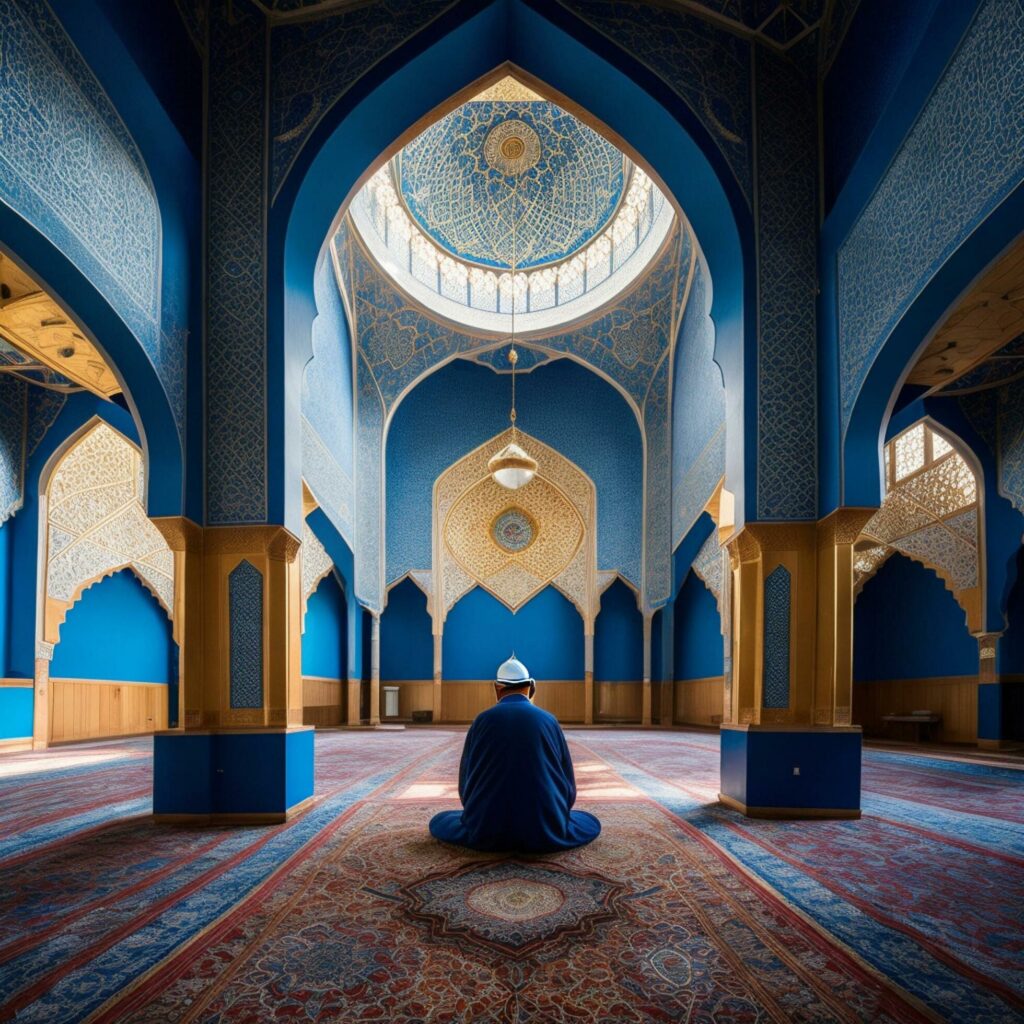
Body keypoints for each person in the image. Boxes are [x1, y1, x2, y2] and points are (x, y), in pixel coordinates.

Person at [429, 655, 601, 853]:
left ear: (496, 688)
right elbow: (568, 785)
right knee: (588, 822)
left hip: (486, 826)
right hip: (544, 827)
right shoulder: (548, 720)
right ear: (531, 687)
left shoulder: (481, 721)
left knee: (440, 821)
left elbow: (465, 784)